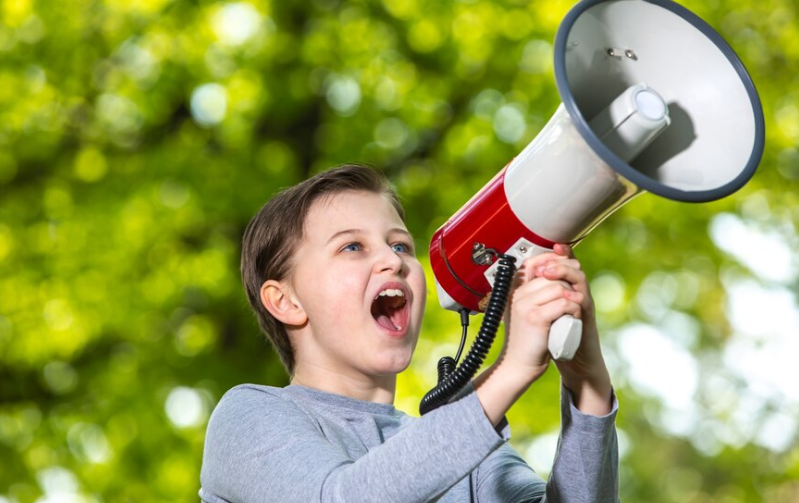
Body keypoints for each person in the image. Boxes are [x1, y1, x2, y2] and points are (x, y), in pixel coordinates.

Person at [199, 164, 619, 502]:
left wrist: (588, 384)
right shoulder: (248, 417)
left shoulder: (463, 451)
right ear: (286, 301)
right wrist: (510, 369)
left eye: (400, 246)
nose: (392, 260)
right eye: (352, 247)